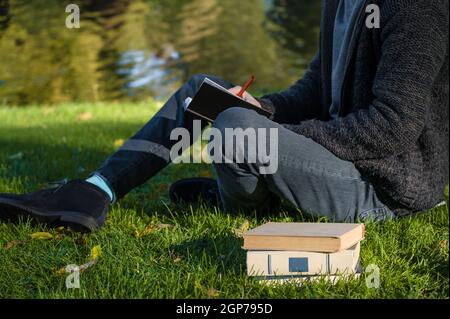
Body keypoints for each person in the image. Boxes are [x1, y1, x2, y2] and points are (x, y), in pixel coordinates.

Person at [0, 0, 448, 232]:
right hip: (339, 157)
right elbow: (316, 89)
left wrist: (274, 132)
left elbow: (392, 126)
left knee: (236, 130)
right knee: (207, 94)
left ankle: (251, 196)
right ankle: (93, 191)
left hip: (384, 185)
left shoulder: (415, 8)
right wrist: (264, 108)